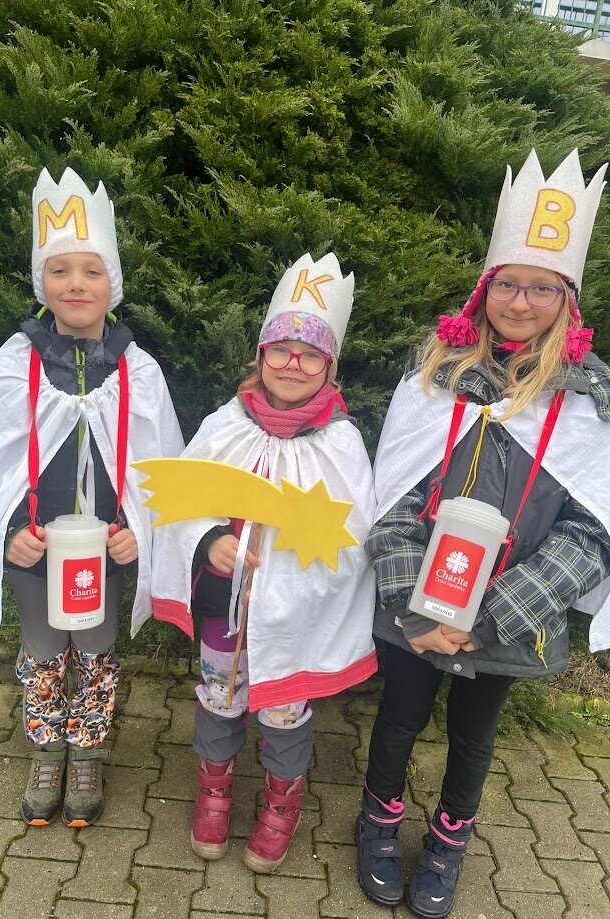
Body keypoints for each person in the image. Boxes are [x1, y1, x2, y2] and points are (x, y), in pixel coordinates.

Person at [356, 149, 610, 918]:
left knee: (473, 735)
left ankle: (447, 843)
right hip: (417, 603)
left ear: (564, 300)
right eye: (507, 283)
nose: (520, 301)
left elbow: (591, 531)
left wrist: (491, 615)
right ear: (484, 288)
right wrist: (418, 603)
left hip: (508, 615)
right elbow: (389, 495)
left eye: (541, 287)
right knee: (398, 716)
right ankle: (377, 823)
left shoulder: (586, 397)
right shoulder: (434, 371)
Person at [0, 167, 184, 828]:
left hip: (103, 549)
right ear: (40, 281)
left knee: (97, 649)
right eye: (60, 270)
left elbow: (159, 465)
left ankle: (89, 753)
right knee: (44, 650)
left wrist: (139, 529)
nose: (76, 283)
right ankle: (48, 750)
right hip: (36, 547)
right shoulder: (15, 363)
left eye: (91, 271)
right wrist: (8, 531)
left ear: (113, 283)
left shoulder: (138, 369)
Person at [150, 252, 377, 872]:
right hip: (224, 606)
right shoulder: (226, 424)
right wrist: (208, 540)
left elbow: (354, 534)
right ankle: (214, 791)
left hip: (293, 614)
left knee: (284, 708)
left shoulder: (341, 441)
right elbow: (181, 498)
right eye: (281, 349)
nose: (293, 364)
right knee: (219, 693)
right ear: (260, 355)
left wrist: (290, 575)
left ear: (330, 367)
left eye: (310, 354)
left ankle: (282, 802)